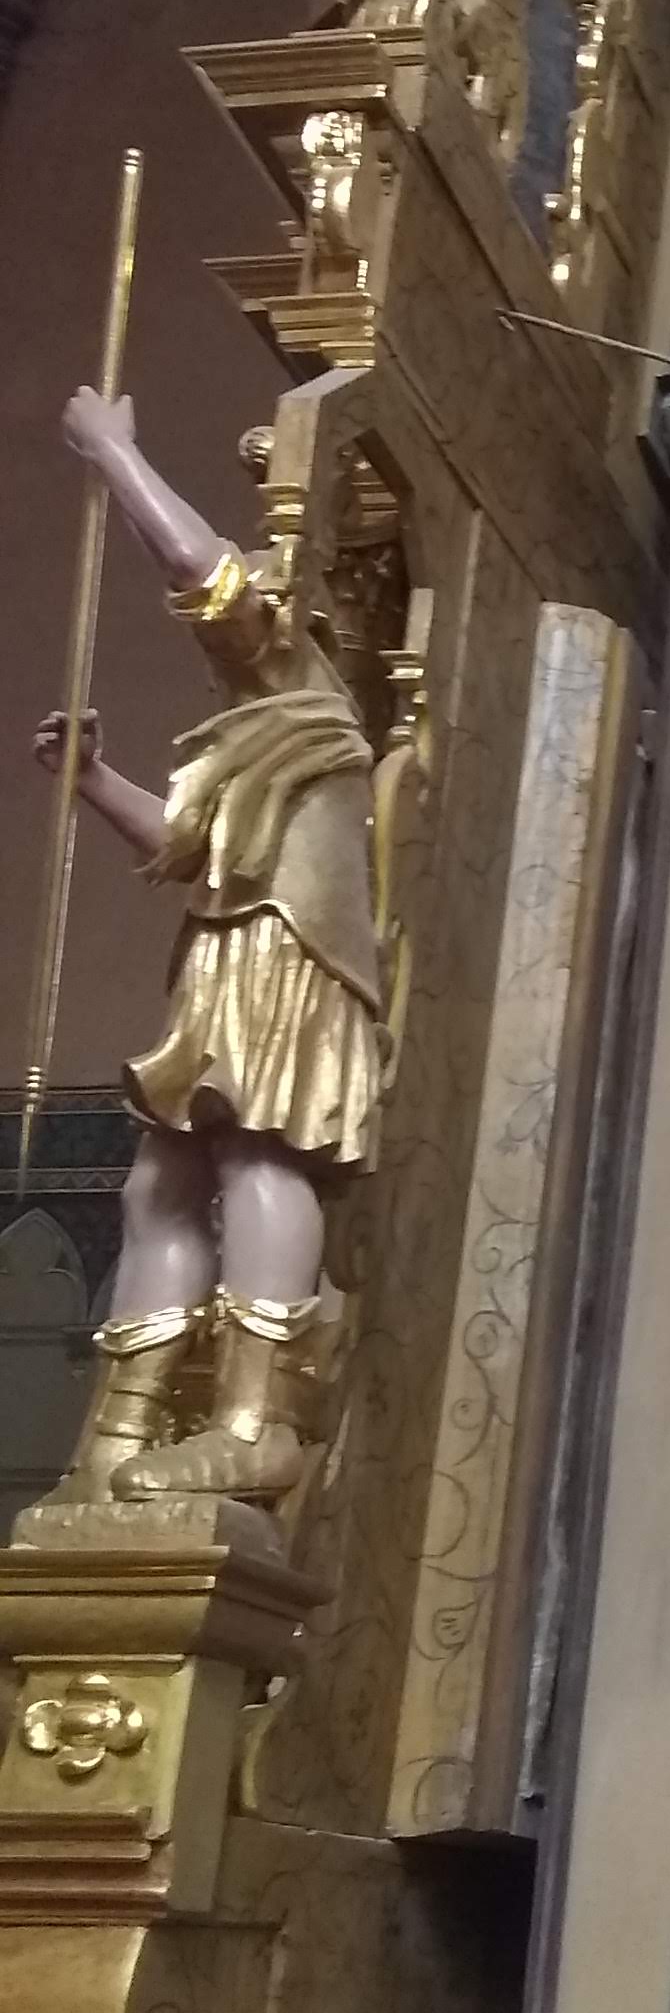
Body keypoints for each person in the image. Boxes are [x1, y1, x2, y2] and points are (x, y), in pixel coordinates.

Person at [33, 385, 383, 1505]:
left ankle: (253, 1421)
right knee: (159, 1185)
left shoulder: (311, 697)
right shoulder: (256, 728)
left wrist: (113, 453)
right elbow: (187, 844)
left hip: (288, 956)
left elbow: (200, 569)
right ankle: (119, 1435)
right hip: (228, 949)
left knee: (257, 1154)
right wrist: (92, 780)